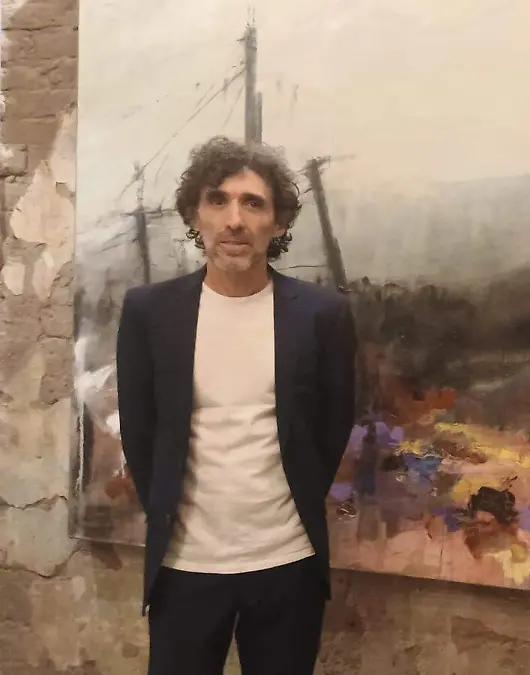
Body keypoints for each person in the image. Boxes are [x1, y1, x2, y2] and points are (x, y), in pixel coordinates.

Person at [116, 136, 358, 675]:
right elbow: (140, 433)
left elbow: (331, 427)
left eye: (253, 203)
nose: (234, 220)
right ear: (194, 214)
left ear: (278, 221)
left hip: (287, 563)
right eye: (218, 200)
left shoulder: (321, 316)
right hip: (184, 565)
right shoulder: (149, 313)